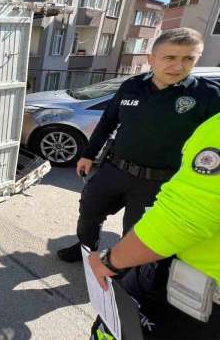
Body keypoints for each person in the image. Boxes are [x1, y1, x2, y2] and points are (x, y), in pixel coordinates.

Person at [57, 27, 220, 262]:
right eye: (170, 57)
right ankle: (85, 248)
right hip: (114, 170)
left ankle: (126, 270)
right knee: (89, 213)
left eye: (189, 59)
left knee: (138, 233)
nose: (179, 66)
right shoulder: (132, 86)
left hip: (160, 181)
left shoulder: (209, 96)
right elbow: (108, 121)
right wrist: (88, 154)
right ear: (151, 59)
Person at [88, 112, 220, 339]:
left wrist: (110, 261)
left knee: (113, 331)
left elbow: (183, 218)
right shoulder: (133, 87)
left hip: (189, 295)